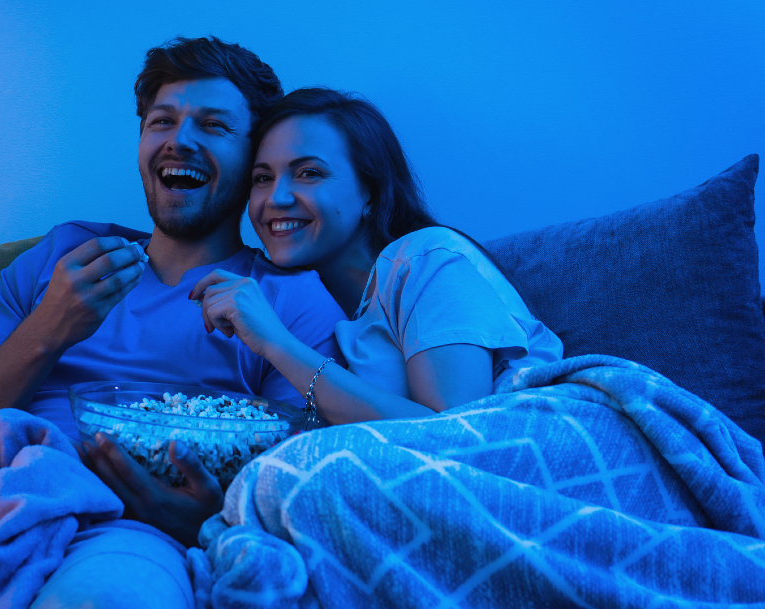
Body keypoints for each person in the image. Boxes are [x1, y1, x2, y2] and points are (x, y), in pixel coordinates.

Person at [0, 39, 346, 609]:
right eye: (161, 121)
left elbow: (297, 488)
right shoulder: (62, 256)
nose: (179, 139)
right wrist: (50, 328)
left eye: (214, 126)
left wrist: (204, 519)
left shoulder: (285, 303)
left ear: (254, 160)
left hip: (122, 533)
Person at [188, 87, 564, 425]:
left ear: (371, 191)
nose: (276, 198)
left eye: (308, 173)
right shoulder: (312, 306)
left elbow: (452, 433)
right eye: (262, 178)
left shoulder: (427, 259)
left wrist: (276, 343)